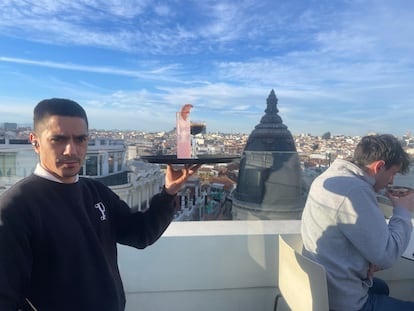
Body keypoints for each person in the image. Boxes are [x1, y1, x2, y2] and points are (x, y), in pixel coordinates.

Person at [0, 98, 200, 311]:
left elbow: (141, 234)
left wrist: (169, 192)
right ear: (35, 142)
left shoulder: (95, 191)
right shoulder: (14, 208)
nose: (71, 150)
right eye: (58, 139)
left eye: (80, 139)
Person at [301, 134, 414, 310]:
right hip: (343, 301)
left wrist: (365, 261)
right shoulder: (355, 190)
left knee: (381, 288)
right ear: (379, 166)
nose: (392, 181)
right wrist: (403, 211)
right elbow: (387, 256)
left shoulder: (331, 175)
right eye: (392, 173)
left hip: (324, 284)